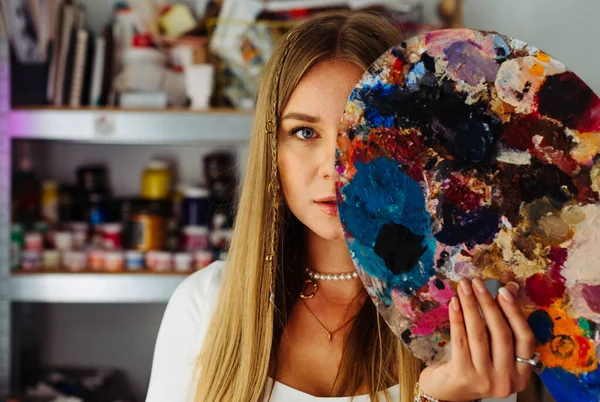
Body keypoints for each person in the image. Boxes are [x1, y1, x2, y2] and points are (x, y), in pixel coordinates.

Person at [146, 9, 536, 402]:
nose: (335, 168)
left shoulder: (463, 321)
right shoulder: (204, 306)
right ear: (271, 149)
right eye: (304, 132)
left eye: (364, 131)